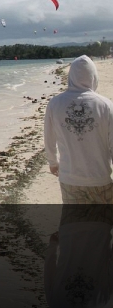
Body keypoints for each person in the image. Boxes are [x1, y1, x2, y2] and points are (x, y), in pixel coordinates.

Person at [44, 54, 113, 204]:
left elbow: (48, 137)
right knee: (100, 223)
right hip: (99, 177)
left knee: (74, 223)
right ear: (93, 77)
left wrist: (53, 162)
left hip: (69, 178)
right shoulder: (105, 105)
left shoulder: (55, 103)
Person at [44, 205, 113, 308]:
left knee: (103, 187)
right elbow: (49, 270)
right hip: (69, 229)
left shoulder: (104, 303)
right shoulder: (55, 304)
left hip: (100, 228)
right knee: (75, 187)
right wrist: (53, 246)